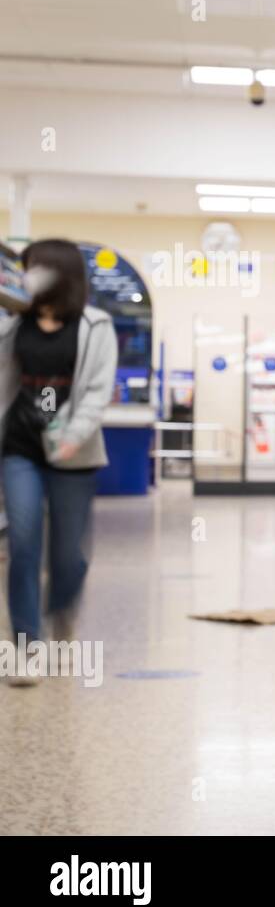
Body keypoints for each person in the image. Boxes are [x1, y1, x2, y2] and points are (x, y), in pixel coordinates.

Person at [0, 239, 118, 686]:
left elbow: (97, 390)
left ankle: (62, 616)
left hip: (74, 451)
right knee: (24, 543)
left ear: (58, 272)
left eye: (33, 268)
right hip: (21, 447)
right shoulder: (16, 323)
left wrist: (72, 436)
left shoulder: (95, 326)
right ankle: (28, 647)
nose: (26, 276)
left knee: (69, 557)